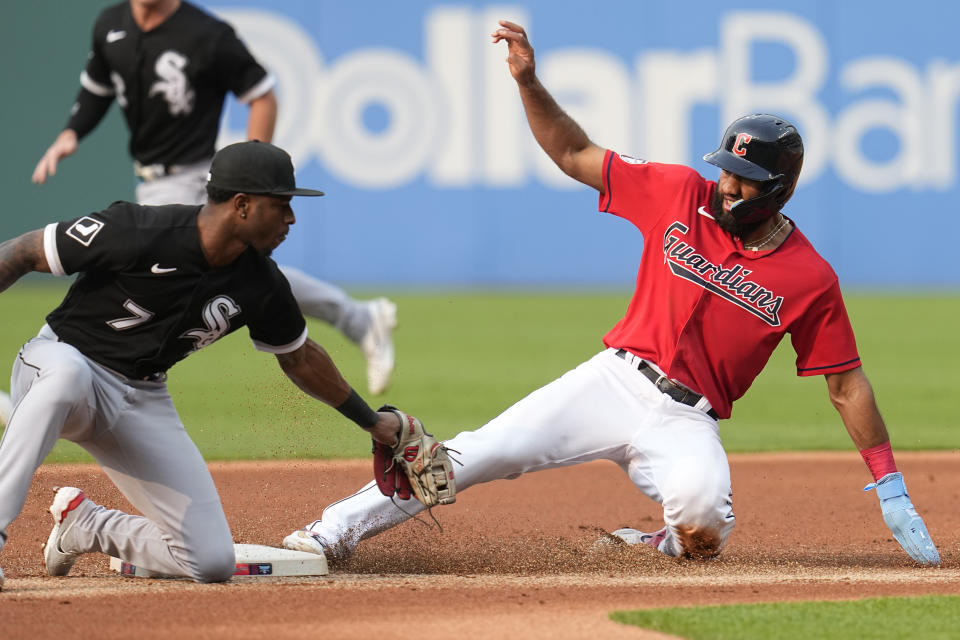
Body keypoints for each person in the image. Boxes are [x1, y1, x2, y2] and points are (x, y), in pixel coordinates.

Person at [281, 21, 940, 567]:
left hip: (689, 418)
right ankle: (329, 533)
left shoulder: (809, 276)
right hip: (614, 380)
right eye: (726, 169)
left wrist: (888, 480)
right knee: (474, 454)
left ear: (780, 189)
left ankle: (660, 541)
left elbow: (846, 384)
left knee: (706, 525)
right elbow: (572, 152)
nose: (726, 185)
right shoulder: (680, 192)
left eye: (743, 179)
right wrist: (528, 82)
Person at [0, 141, 406, 590]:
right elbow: (20, 252)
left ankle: (88, 526)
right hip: (59, 360)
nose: (291, 218)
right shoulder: (140, 228)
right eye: (281, 205)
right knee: (67, 378)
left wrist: (372, 423)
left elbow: (301, 359)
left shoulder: (262, 282)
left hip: (140, 397)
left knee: (210, 561)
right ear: (242, 205)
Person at [30, 0, 396, 395]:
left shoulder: (206, 33)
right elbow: (97, 87)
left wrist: (252, 174)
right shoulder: (111, 24)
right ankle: (358, 317)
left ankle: (43, 376)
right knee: (244, 272)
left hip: (191, 177)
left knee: (235, 271)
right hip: (150, 177)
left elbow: (262, 95)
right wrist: (72, 132)